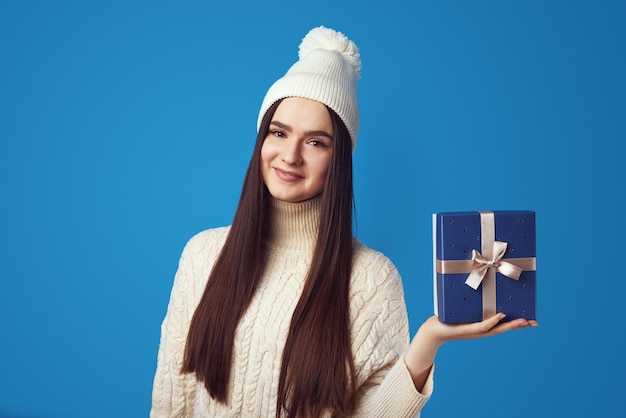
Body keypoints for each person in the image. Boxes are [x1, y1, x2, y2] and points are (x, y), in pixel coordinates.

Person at [150, 26, 537, 418]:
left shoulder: (371, 278)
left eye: (316, 142)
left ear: (340, 160)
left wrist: (427, 343)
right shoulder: (202, 255)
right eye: (278, 132)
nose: (290, 155)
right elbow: (172, 398)